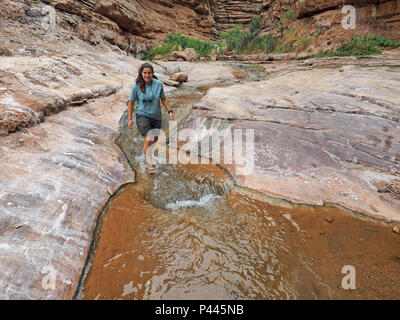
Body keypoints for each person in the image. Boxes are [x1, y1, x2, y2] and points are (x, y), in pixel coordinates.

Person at [128, 63, 175, 174]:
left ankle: (147, 154)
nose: (147, 75)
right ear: (141, 73)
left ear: (152, 73)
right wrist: (130, 118)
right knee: (148, 139)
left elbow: (163, 99)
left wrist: (170, 111)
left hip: (156, 116)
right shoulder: (136, 86)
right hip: (142, 115)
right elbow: (131, 103)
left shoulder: (158, 84)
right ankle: (150, 164)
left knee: (154, 140)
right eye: (145, 73)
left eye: (149, 73)